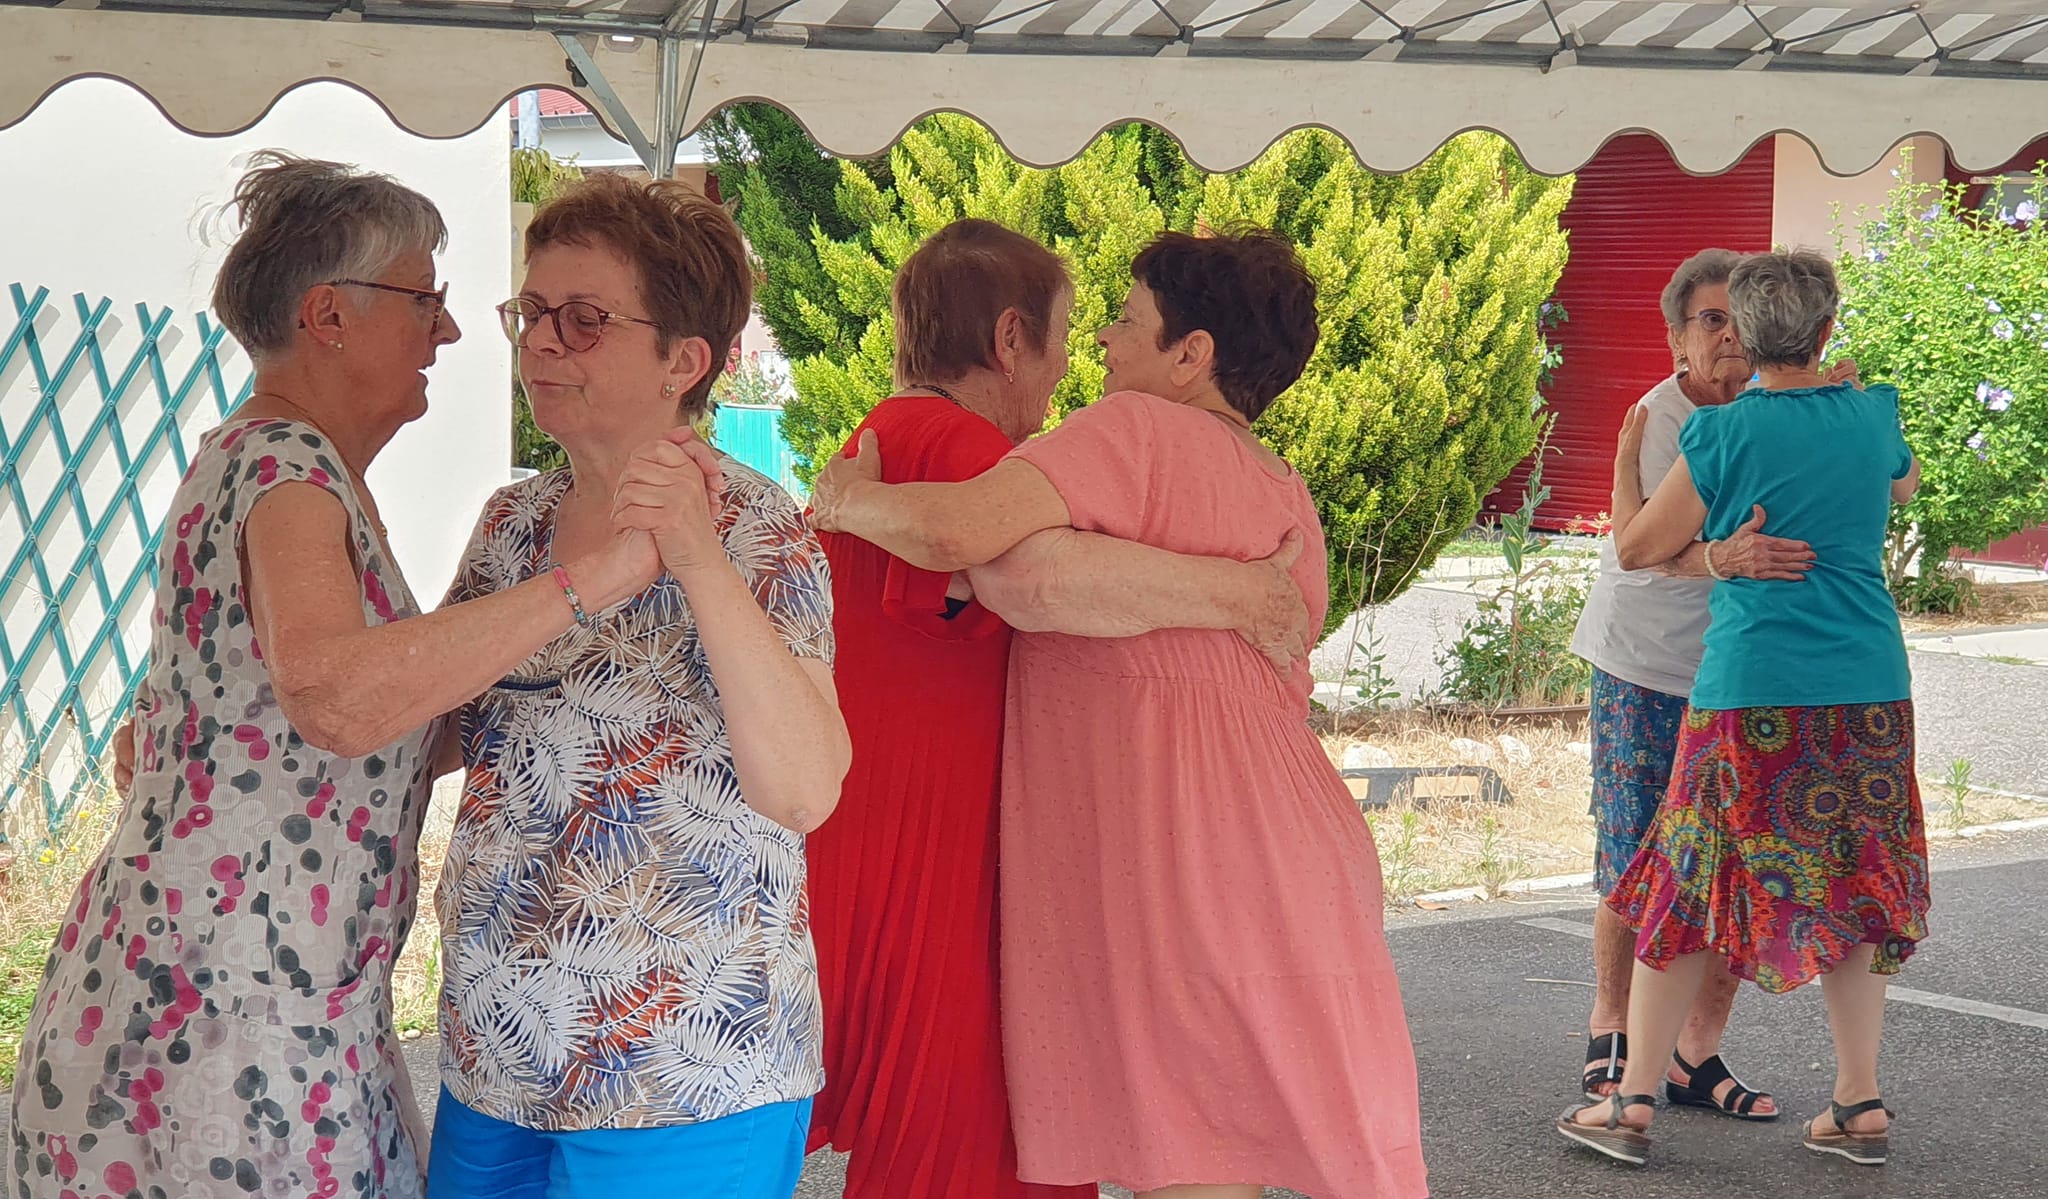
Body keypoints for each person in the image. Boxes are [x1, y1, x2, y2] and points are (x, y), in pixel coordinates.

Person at [8, 153, 670, 1199]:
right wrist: (596, 578)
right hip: (224, 1023)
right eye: (424, 299)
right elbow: (334, 694)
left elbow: (380, 713)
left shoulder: (286, 465)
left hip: (258, 1003)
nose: (446, 333)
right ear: (329, 314)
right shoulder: (283, 470)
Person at [810, 229, 1428, 1199]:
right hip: (1286, 842)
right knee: (1214, 1147)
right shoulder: (1285, 492)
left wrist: (848, 499)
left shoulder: (1130, 429)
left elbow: (1004, 559)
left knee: (1174, 1137)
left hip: (1170, 846)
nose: (1097, 341)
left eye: (1125, 321)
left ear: (1192, 355)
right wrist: (1229, 591)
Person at [425, 174, 850, 1199]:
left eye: (583, 320)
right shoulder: (510, 523)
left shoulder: (759, 529)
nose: (539, 342)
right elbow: (433, 729)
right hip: (496, 1051)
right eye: (531, 312)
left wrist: (696, 561)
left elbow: (803, 787)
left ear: (684, 362)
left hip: (688, 1073)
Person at [1557, 249, 1927, 1168]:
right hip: (1870, 689)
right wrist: (1849, 394)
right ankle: (1858, 1100)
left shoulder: (1721, 437)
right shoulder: (1871, 412)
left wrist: (1618, 468)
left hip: (1749, 694)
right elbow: (1904, 486)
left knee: (1685, 880)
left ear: (1748, 336)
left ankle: (1632, 1098)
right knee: (1856, 881)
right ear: (1828, 331)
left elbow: (1640, 547)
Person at [1569, 248, 1831, 1117]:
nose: (1727, 335)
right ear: (1678, 336)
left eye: (1736, 319)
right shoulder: (1663, 415)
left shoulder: (1775, 410)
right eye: (1709, 320)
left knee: (1733, 863)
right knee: (1637, 849)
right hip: (1645, 665)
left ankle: (1694, 1051)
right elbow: (1639, 545)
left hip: (1739, 675)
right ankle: (1612, 1027)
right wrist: (1724, 555)